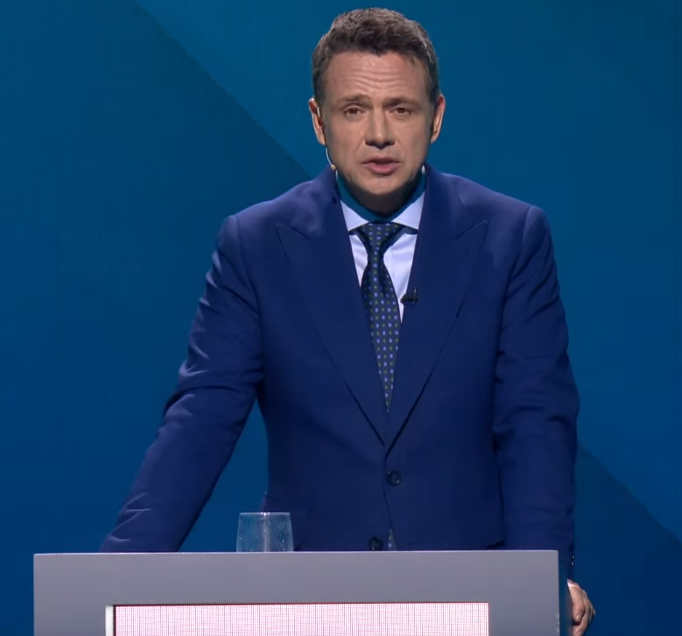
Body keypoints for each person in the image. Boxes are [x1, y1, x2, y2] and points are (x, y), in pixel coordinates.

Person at [100, 8, 595, 634]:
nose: (379, 134)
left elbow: (535, 421)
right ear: (319, 121)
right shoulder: (256, 246)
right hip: (309, 600)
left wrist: (540, 579)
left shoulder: (510, 238)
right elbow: (201, 419)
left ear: (437, 116)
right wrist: (115, 581)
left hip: (470, 595)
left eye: (401, 109)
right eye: (354, 109)